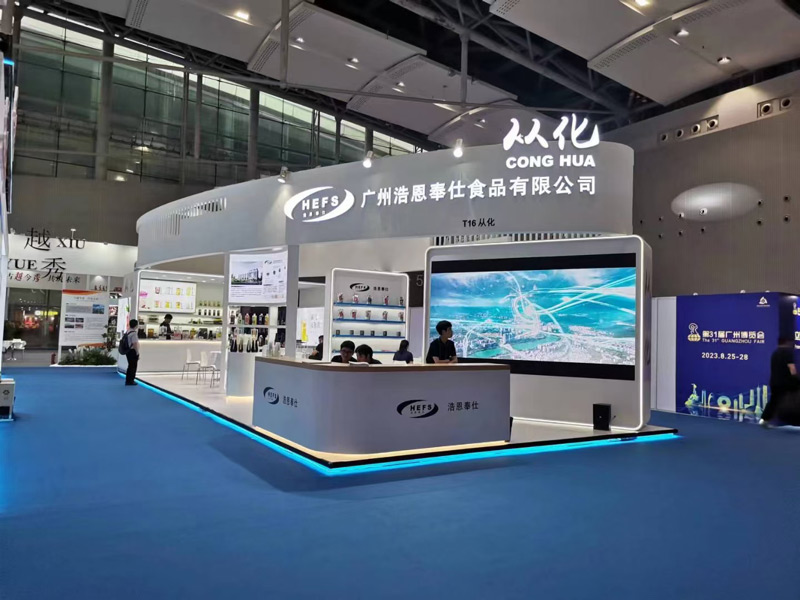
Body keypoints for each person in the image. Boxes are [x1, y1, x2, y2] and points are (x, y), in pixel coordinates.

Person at [760, 336, 800, 426]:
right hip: (786, 383)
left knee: (774, 400)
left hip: (774, 382)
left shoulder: (775, 353)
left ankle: (764, 419)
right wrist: (797, 379)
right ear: (787, 342)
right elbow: (792, 369)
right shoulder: (788, 353)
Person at [123, 319, 141, 386]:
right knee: (133, 366)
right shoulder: (133, 333)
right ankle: (131, 380)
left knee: (130, 366)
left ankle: (128, 380)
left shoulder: (128, 331)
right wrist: (137, 352)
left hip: (128, 350)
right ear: (136, 325)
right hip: (132, 351)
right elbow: (135, 343)